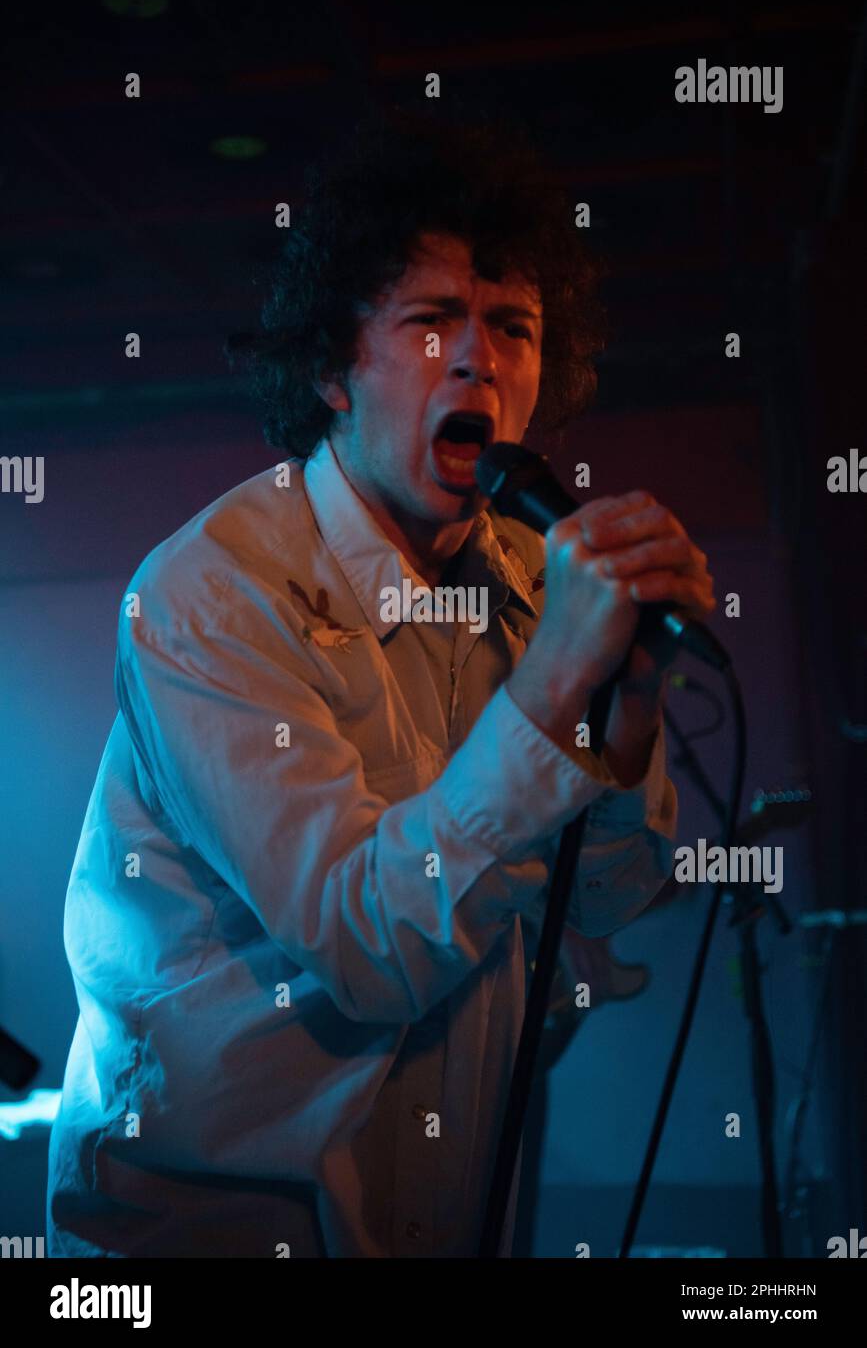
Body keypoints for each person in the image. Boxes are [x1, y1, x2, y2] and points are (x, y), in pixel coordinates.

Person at [47, 107, 714, 1258]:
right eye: (430, 321)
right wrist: (553, 681)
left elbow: (603, 904)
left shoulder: (524, 578)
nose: (478, 359)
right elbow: (366, 946)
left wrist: (628, 701)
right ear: (331, 368)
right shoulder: (213, 591)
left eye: (513, 326)